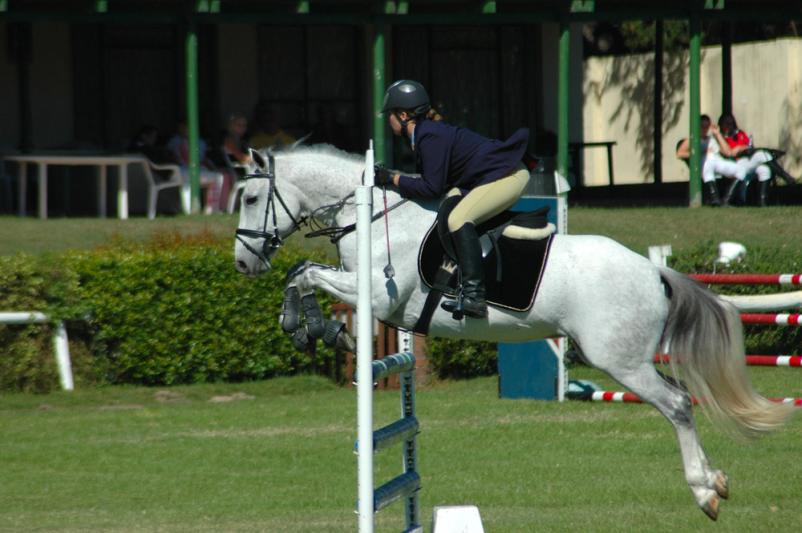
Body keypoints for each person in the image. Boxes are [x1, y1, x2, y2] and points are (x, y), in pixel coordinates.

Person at [374, 79, 531, 319]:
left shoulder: (429, 137)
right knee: (449, 204)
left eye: (391, 115)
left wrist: (393, 179)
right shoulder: (425, 134)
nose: (388, 120)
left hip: (509, 176)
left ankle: (474, 296)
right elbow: (436, 184)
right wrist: (398, 179)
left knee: (458, 218)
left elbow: (430, 187)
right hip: (490, 177)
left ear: (404, 115)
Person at [718, 113, 797, 206]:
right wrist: (737, 149)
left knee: (764, 169)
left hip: (747, 160)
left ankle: (762, 202)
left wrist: (739, 147)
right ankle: (785, 176)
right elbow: (728, 152)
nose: (729, 126)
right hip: (734, 163)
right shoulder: (720, 137)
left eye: (731, 123)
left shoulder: (739, 134)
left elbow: (749, 147)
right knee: (761, 155)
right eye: (726, 123)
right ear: (721, 124)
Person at [167, 121, 230, 214]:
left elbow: (203, 159)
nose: (184, 130)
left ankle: (211, 209)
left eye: (186, 127)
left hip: (198, 171)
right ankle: (188, 211)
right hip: (180, 171)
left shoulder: (200, 142)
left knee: (218, 177)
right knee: (186, 183)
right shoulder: (174, 141)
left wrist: (211, 167)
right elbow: (169, 156)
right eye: (182, 127)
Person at [676, 114, 740, 206]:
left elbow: (728, 152)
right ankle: (715, 199)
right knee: (709, 162)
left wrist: (718, 134)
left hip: (718, 163)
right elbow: (679, 153)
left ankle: (727, 199)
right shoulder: (692, 140)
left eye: (707, 126)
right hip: (704, 164)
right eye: (702, 126)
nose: (704, 129)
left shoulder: (712, 139)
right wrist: (699, 154)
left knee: (741, 170)